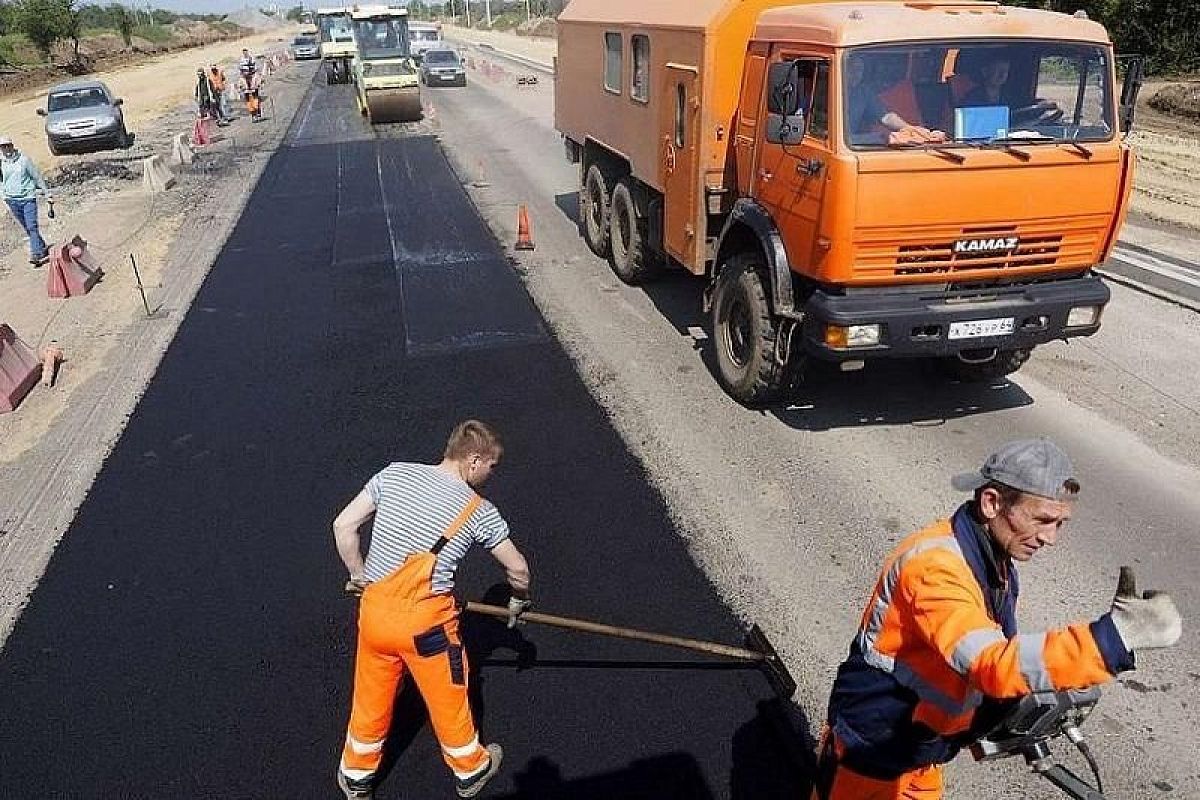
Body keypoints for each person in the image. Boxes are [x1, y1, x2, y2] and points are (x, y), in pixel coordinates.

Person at [813, 438, 1182, 800]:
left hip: (921, 748)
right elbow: (990, 663)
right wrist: (1112, 640)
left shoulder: (995, 562)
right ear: (991, 503)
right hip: (871, 749)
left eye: (1060, 524)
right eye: (1043, 520)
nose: (1050, 538)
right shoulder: (935, 569)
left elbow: (993, 649)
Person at [332, 420, 532, 800]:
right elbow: (517, 568)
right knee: (448, 693)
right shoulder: (477, 510)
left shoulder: (394, 474)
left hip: (374, 614)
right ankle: (470, 769)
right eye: (493, 466)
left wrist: (360, 576)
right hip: (427, 630)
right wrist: (518, 600)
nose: (492, 474)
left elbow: (343, 526)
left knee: (371, 694)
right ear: (474, 459)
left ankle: (356, 776)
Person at [846, 52, 946, 146]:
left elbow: (886, 117)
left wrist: (909, 129)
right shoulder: (831, 89)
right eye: (850, 69)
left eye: (859, 69)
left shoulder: (862, 91)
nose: (855, 74)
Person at [0, 136, 52, 266]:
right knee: (28, 228)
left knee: (31, 225)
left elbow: (37, 177)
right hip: (12, 200)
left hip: (28, 198)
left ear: (12, 145)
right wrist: (4, 196)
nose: (6, 148)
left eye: (7, 145)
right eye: (3, 146)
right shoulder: (1, 163)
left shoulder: (24, 160)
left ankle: (36, 254)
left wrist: (47, 193)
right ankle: (42, 247)